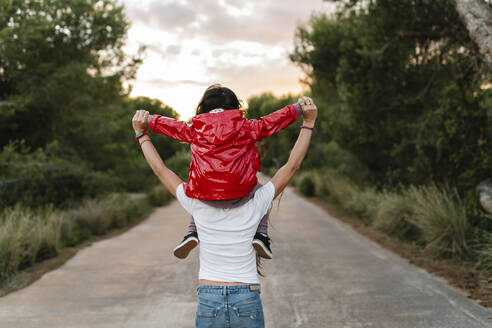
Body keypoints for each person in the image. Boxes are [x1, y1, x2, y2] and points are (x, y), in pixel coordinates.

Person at [132, 96, 317, 327]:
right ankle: (261, 236)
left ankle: (192, 233)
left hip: (209, 297)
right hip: (246, 296)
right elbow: (292, 166)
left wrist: (142, 134)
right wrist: (307, 123)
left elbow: (161, 170)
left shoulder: (196, 203)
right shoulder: (257, 201)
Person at [142, 84, 303, 260]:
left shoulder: (196, 128)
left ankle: (192, 232)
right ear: (235, 107)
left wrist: (149, 120)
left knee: (194, 190)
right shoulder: (247, 126)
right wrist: (297, 108)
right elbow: (272, 121)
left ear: (204, 107)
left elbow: (173, 126)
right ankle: (262, 235)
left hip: (204, 195)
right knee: (262, 192)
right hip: (241, 192)